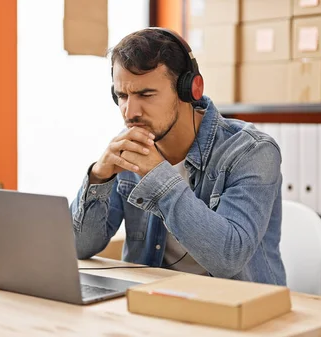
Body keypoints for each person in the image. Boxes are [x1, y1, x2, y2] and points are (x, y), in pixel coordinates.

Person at [69, 27, 286, 286]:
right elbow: (79, 248)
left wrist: (157, 176)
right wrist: (98, 177)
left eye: (146, 94)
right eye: (122, 95)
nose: (130, 111)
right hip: (152, 304)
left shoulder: (251, 151)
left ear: (189, 90)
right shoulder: (130, 148)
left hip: (236, 310)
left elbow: (228, 257)